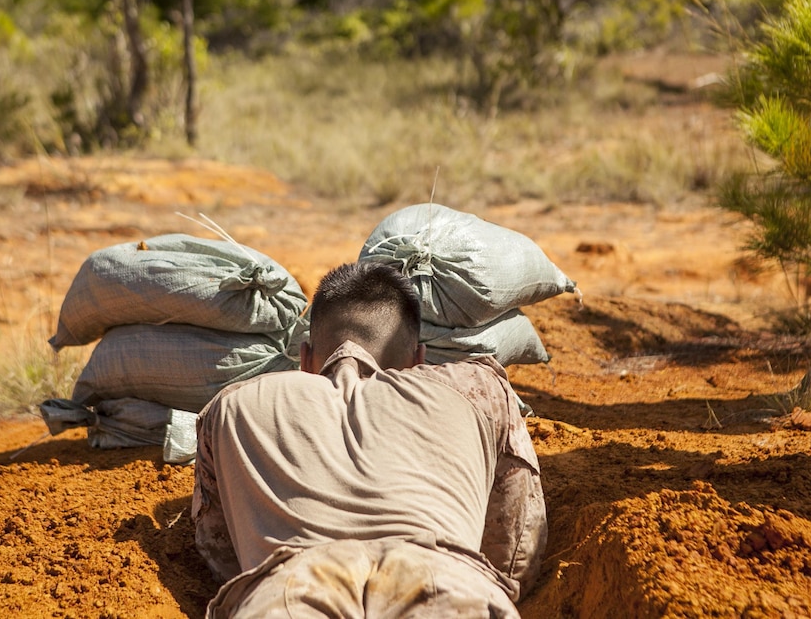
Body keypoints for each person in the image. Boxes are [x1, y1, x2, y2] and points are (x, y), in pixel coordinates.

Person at [191, 261, 547, 618]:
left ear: (303, 359)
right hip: (445, 578)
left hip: (290, 589)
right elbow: (516, 549)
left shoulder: (233, 404)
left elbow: (220, 554)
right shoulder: (478, 389)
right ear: (418, 360)